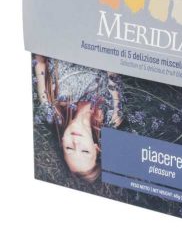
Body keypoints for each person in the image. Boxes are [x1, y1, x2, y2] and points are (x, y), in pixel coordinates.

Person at [33, 54, 123, 183]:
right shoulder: (112, 117)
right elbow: (113, 67)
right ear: (96, 148)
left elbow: (40, 61)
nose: (76, 143)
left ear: (62, 143)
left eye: (69, 149)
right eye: (85, 151)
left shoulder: (51, 110)